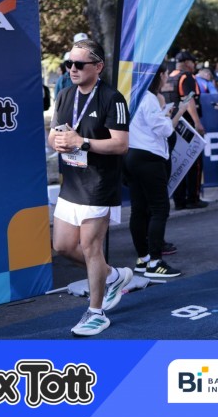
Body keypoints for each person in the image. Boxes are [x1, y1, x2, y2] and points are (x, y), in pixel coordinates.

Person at [48, 36, 132, 336]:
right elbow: (54, 134)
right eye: (69, 63)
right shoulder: (65, 95)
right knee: (62, 246)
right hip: (71, 182)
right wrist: (58, 142)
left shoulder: (112, 98)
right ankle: (112, 275)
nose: (72, 68)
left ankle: (96, 313)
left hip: (99, 184)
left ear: (98, 67)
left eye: (79, 64)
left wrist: (82, 141)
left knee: (90, 247)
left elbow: (121, 144)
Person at [124, 64, 189, 279]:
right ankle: (154, 262)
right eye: (165, 74)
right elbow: (165, 130)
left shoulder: (132, 96)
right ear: (159, 75)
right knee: (159, 209)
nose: (167, 78)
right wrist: (170, 114)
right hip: (149, 157)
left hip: (132, 155)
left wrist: (164, 114)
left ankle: (143, 259)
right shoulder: (149, 98)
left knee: (138, 209)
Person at [165, 51, 208, 210]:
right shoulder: (186, 77)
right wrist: (197, 122)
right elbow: (189, 100)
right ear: (187, 62)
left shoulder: (168, 77)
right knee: (194, 161)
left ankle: (179, 200)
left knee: (178, 162)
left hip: (173, 125)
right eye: (193, 62)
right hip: (188, 126)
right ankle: (193, 199)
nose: (194, 65)